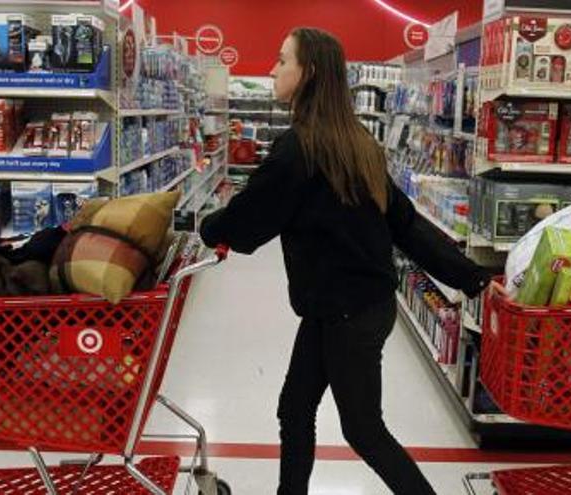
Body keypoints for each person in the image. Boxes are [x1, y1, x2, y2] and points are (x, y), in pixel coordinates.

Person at [199, 27, 491, 495]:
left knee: (363, 430)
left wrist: (204, 227)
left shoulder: (299, 149)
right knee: (295, 409)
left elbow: (249, 220)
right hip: (346, 308)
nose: (272, 70)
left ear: (308, 72)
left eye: (280, 60)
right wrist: (471, 277)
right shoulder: (357, 141)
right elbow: (407, 224)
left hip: (347, 314)